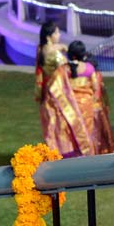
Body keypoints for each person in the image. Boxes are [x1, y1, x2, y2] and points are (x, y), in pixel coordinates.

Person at [34, 22, 100, 157]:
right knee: (63, 125)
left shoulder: (41, 49)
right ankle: (67, 154)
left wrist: (62, 47)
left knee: (54, 127)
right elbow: (66, 68)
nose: (59, 35)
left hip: (49, 92)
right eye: (57, 33)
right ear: (49, 36)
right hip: (57, 95)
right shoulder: (55, 55)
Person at [66, 40, 114, 154]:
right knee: (91, 135)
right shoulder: (89, 69)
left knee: (75, 135)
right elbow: (96, 89)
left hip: (71, 108)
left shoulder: (65, 70)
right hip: (89, 107)